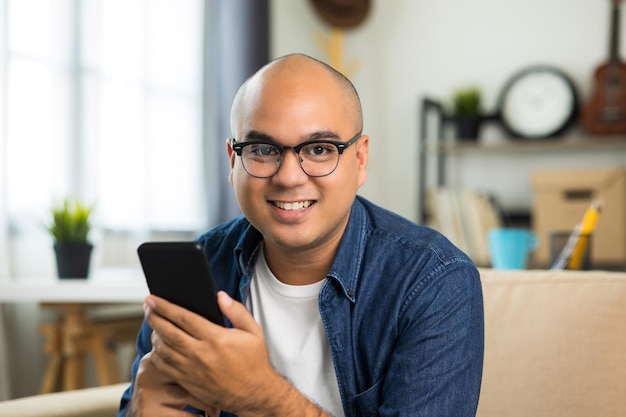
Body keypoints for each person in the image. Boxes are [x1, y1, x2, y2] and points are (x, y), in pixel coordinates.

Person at [119, 53, 484, 417]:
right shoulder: (201, 266)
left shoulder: (434, 281)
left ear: (359, 161)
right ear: (233, 161)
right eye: (262, 150)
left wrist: (263, 396)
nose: (289, 177)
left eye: (320, 149)